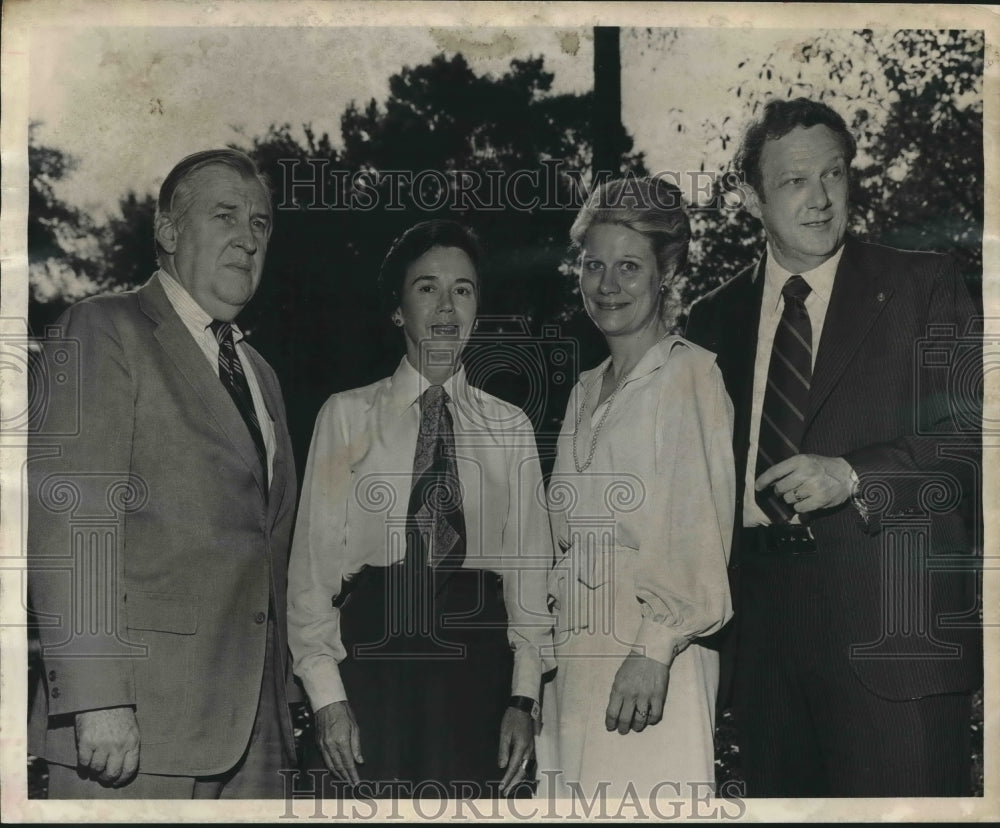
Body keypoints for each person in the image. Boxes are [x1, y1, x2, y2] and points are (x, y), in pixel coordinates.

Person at [685, 97, 982, 797]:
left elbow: (971, 437)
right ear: (752, 196)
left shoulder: (922, 284)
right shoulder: (712, 319)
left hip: (896, 634)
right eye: (794, 181)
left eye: (835, 175)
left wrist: (854, 474)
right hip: (762, 645)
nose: (820, 199)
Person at [27, 148, 298, 798]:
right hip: (136, 733)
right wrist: (97, 699)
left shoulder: (262, 375)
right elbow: (72, 519)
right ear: (169, 232)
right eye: (225, 215)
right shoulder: (104, 328)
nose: (247, 237)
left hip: (256, 736)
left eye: (260, 223)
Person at [287, 219, 553, 799]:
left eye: (463, 289)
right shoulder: (345, 416)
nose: (447, 306)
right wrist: (329, 699)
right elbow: (311, 576)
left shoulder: (511, 427)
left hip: (477, 676)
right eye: (427, 287)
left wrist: (523, 701)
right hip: (371, 671)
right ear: (397, 310)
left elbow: (530, 586)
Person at [546, 177, 735, 799]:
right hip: (576, 657)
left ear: (666, 272)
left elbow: (700, 529)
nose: (607, 284)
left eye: (629, 266)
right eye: (593, 265)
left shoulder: (689, 375)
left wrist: (654, 651)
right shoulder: (583, 390)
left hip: (650, 656)